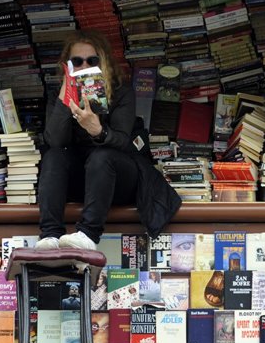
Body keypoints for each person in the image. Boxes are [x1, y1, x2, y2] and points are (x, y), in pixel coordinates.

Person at [35, 30, 181, 251]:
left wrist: (98, 131)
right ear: (68, 66)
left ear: (103, 64)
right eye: (77, 62)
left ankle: (88, 234)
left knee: (101, 156)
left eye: (91, 61)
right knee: (54, 156)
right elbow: (54, 141)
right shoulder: (59, 94)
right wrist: (66, 96)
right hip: (81, 181)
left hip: (118, 177)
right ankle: (50, 235)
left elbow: (125, 143)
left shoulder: (122, 93)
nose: (84, 66)